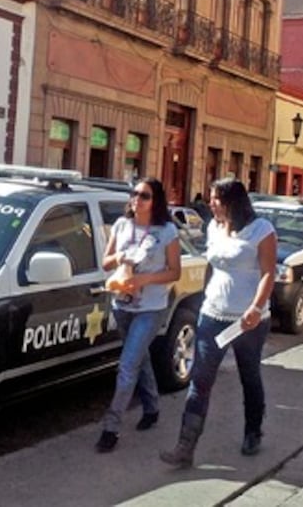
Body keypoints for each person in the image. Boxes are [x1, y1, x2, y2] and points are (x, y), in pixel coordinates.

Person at [160, 178, 276, 468]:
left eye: (216, 199)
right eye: (211, 198)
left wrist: (255, 308)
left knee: (249, 375)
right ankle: (185, 447)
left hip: (249, 321)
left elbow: (268, 274)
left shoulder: (261, 231)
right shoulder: (213, 227)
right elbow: (212, 265)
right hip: (213, 315)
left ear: (233, 201)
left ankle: (253, 430)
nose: (210, 203)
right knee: (200, 380)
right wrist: (203, 298)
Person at [95, 177, 182, 453]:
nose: (137, 199)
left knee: (127, 364)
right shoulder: (122, 225)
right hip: (122, 303)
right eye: (134, 194)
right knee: (139, 357)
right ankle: (153, 406)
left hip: (151, 307)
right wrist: (121, 257)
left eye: (144, 195)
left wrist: (144, 280)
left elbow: (175, 271)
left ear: (155, 200)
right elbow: (105, 261)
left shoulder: (166, 231)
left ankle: (111, 427)